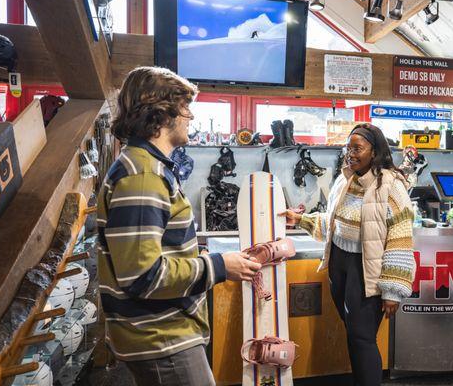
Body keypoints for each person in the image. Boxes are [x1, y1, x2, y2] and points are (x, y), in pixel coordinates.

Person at [96, 66, 261, 386]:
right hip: (161, 339)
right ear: (160, 113)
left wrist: (192, 254)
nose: (190, 117)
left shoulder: (147, 168)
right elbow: (142, 277)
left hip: (163, 334)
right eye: (185, 108)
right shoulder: (143, 176)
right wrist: (219, 265)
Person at [281, 123, 415, 386]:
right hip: (340, 264)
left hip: (366, 270)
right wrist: (300, 220)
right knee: (354, 334)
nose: (350, 153)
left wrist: (392, 291)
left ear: (374, 152)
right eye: (348, 147)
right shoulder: (345, 179)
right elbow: (335, 224)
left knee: (362, 338)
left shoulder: (390, 186)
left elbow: (401, 238)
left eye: (358, 148)